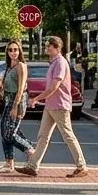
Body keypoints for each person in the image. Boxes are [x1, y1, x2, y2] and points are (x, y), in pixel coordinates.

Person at [18, 36, 88, 179]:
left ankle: (81, 166)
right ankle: (32, 166)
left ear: (57, 48)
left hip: (60, 104)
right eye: (46, 45)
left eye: (49, 46)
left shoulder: (60, 63)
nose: (46, 48)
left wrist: (37, 98)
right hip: (51, 105)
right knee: (43, 136)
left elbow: (54, 86)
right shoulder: (53, 63)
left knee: (67, 135)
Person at [0, 40, 33, 172]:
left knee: (9, 133)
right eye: (10, 50)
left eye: (16, 49)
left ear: (20, 51)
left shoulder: (21, 66)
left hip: (17, 101)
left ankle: (30, 149)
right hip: (8, 101)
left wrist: (15, 107)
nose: (13, 52)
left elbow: (20, 89)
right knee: (5, 132)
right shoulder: (9, 66)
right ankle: (9, 164)